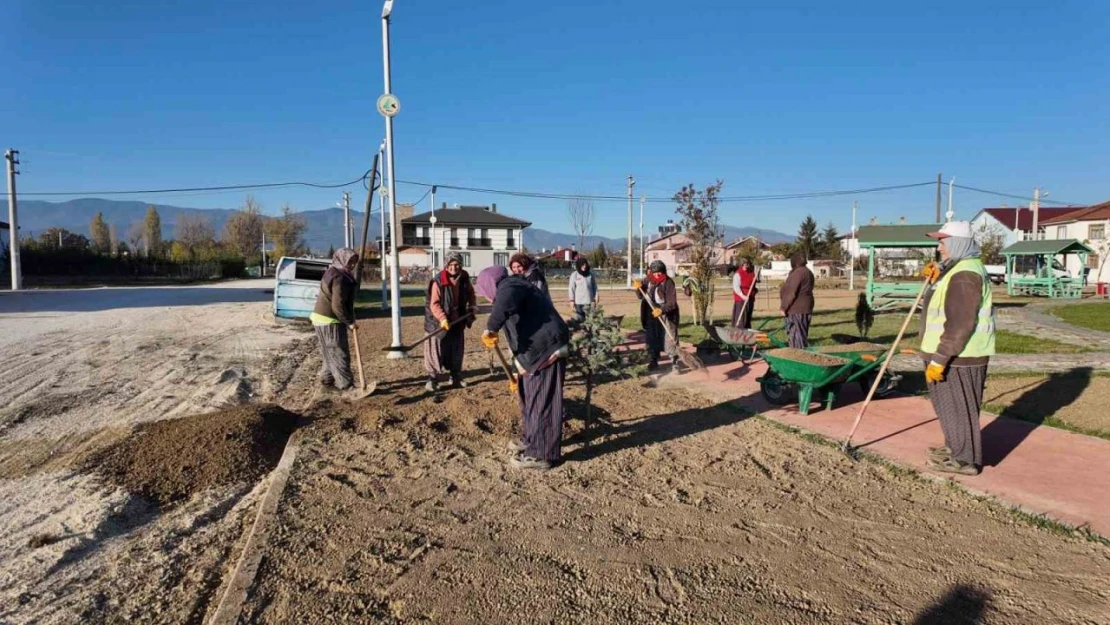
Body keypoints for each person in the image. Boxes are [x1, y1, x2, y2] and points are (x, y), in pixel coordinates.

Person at [476, 265, 570, 471]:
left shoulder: (510, 285)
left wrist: (491, 328)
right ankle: (531, 439)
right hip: (537, 349)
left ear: (491, 285)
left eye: (485, 293)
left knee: (542, 401)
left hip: (548, 348)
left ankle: (542, 454)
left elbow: (505, 301)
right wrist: (517, 369)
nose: (488, 299)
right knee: (529, 396)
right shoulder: (515, 288)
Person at [921, 220, 996, 476]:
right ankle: (955, 447)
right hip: (948, 353)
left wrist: (941, 358)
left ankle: (966, 460)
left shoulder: (965, 275)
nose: (939, 247)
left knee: (959, 407)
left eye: (943, 241)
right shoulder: (957, 269)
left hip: (959, 355)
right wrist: (936, 277)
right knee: (949, 407)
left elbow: (961, 322)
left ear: (958, 243)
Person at [423, 253, 477, 392]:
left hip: (457, 319)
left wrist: (472, 306)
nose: (454, 268)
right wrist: (442, 319)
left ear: (461, 265)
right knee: (435, 350)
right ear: (446, 266)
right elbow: (434, 304)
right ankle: (432, 380)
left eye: (457, 264)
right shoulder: (438, 281)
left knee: (456, 349)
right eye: (451, 265)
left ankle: (455, 377)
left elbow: (471, 293)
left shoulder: (464, 278)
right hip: (437, 321)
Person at [310, 247, 360, 391]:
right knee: (339, 352)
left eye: (354, 262)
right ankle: (347, 387)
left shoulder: (332, 271)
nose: (352, 265)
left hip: (320, 318)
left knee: (329, 351)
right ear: (341, 259)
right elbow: (338, 305)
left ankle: (327, 381)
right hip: (329, 320)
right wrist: (349, 322)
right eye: (350, 261)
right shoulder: (340, 278)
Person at [635, 260, 680, 372]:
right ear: (651, 273)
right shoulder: (647, 280)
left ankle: (674, 362)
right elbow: (641, 296)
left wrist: (662, 310)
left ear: (663, 271)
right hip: (651, 313)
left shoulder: (668, 282)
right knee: (652, 338)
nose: (657, 275)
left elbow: (672, 303)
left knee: (670, 337)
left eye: (659, 272)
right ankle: (653, 360)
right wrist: (638, 288)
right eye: (655, 273)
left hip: (667, 313)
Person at [779, 252, 815, 348]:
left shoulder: (798, 273)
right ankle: (801, 354)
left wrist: (783, 307)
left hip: (796, 308)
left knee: (796, 336)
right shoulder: (808, 272)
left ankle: (798, 357)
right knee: (801, 335)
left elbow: (791, 292)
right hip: (806, 307)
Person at [567, 257, 598, 322]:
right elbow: (571, 288)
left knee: (590, 320)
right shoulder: (574, 275)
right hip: (578, 302)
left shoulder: (590, 275)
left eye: (585, 265)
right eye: (582, 265)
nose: (584, 266)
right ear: (579, 265)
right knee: (580, 320)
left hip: (589, 301)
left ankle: (588, 332)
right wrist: (571, 300)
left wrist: (596, 296)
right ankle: (582, 331)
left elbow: (595, 286)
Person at [731, 259, 758, 329]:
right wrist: (742, 295)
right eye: (745, 263)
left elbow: (753, 285)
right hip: (741, 299)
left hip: (750, 298)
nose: (746, 265)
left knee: (748, 315)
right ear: (742, 264)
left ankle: (747, 329)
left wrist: (754, 290)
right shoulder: (738, 274)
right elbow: (736, 287)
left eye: (747, 263)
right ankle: (739, 329)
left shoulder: (752, 274)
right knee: (741, 316)